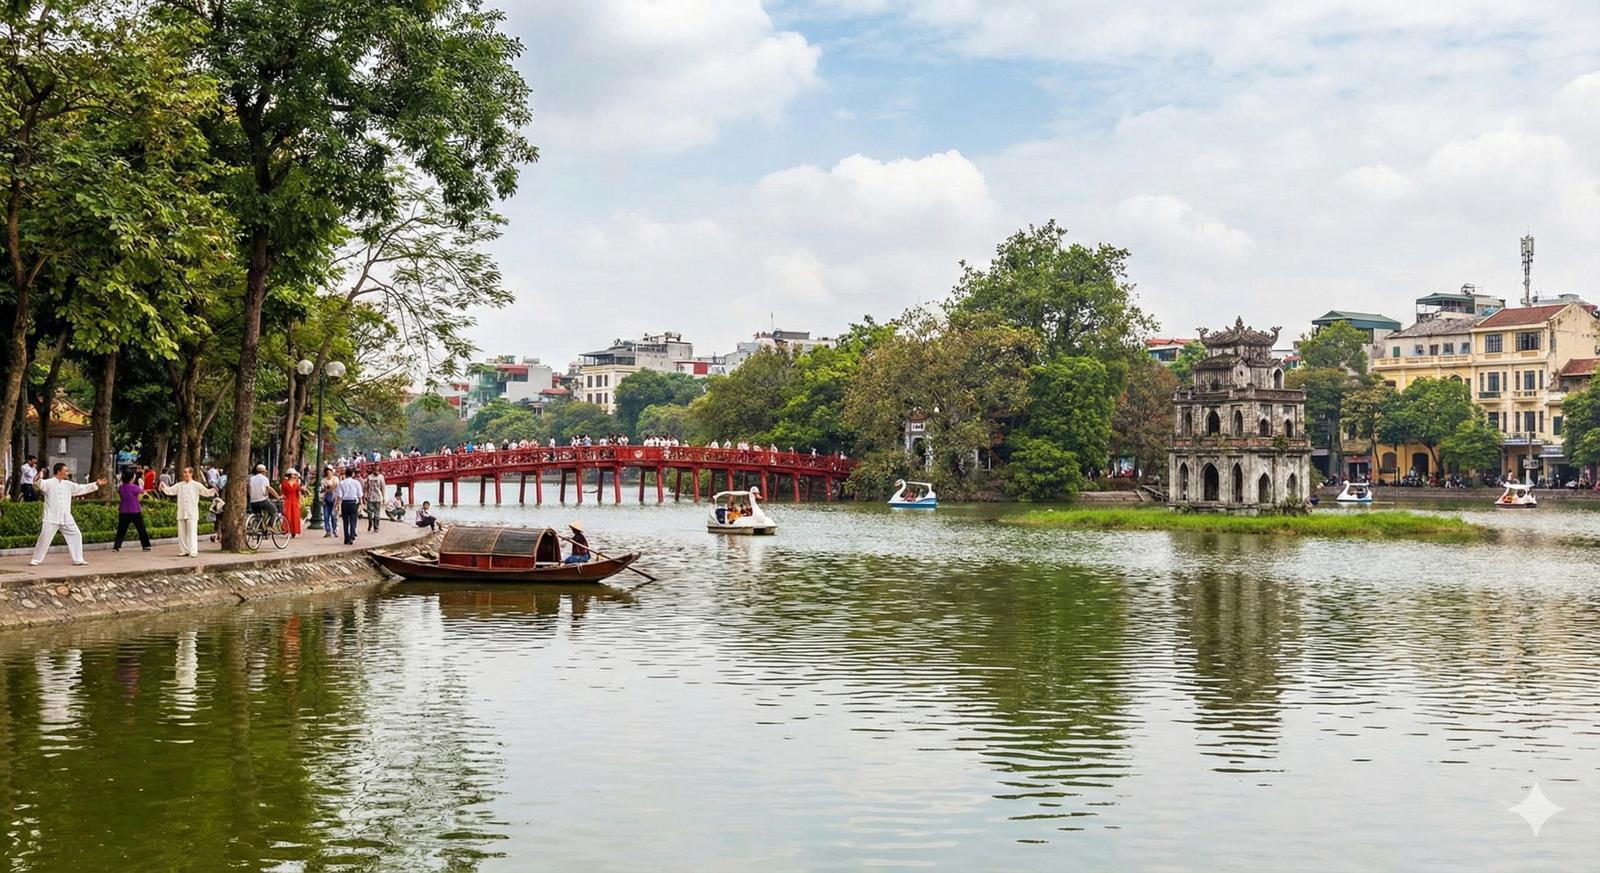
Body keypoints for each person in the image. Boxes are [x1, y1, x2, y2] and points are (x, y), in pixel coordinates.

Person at [30, 464, 106, 566]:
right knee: (44, 538)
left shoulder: (68, 484)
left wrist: (95, 484)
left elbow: (81, 488)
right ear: (58, 471)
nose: (67, 473)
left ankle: (78, 559)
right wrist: (39, 476)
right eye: (65, 471)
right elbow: (39, 483)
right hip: (51, 517)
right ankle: (36, 560)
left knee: (76, 534)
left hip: (66, 517)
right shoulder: (49, 483)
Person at [161, 466, 217, 557]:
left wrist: (213, 490)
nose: (185, 474)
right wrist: (163, 485)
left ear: (191, 473)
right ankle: (184, 550)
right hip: (182, 511)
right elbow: (169, 491)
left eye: (187, 472)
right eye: (184, 472)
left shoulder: (196, 485)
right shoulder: (179, 485)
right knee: (182, 532)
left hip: (192, 512)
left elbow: (206, 492)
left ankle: (193, 550)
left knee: (192, 532)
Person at [113, 470, 152, 552]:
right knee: (141, 529)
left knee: (121, 530)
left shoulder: (121, 488)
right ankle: (146, 545)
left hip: (123, 511)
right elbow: (143, 492)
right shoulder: (134, 487)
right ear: (132, 478)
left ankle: (116, 546)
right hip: (135, 511)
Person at [336, 468, 362, 545]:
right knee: (353, 520)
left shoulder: (342, 483)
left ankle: (346, 538)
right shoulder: (356, 483)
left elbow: (339, 495)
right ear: (352, 474)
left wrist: (337, 505)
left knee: (345, 521)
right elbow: (360, 495)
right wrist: (361, 503)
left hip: (345, 503)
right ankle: (352, 535)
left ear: (345, 474)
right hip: (353, 503)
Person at [281, 469, 303, 538]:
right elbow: (282, 492)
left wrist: (299, 502)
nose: (294, 476)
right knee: (287, 516)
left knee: (295, 516)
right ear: (290, 475)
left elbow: (298, 493)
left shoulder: (297, 484)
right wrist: (282, 500)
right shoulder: (284, 483)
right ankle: (286, 529)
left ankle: (294, 531)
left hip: (294, 501)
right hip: (287, 501)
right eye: (293, 474)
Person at [363, 466, 386, 532]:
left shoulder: (381, 477)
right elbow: (366, 487)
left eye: (378, 470)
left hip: (378, 498)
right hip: (370, 497)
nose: (377, 472)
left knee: (377, 513)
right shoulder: (369, 477)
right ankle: (370, 523)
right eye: (375, 470)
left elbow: (383, 487)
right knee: (369, 513)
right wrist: (365, 495)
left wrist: (384, 497)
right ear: (373, 470)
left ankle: (376, 527)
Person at [320, 467, 340, 538]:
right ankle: (328, 530)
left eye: (330, 472)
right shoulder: (323, 480)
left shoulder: (335, 478)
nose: (329, 473)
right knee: (326, 516)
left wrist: (328, 489)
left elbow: (335, 485)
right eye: (327, 472)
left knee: (333, 515)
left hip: (333, 498)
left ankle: (335, 530)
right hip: (326, 499)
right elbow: (322, 489)